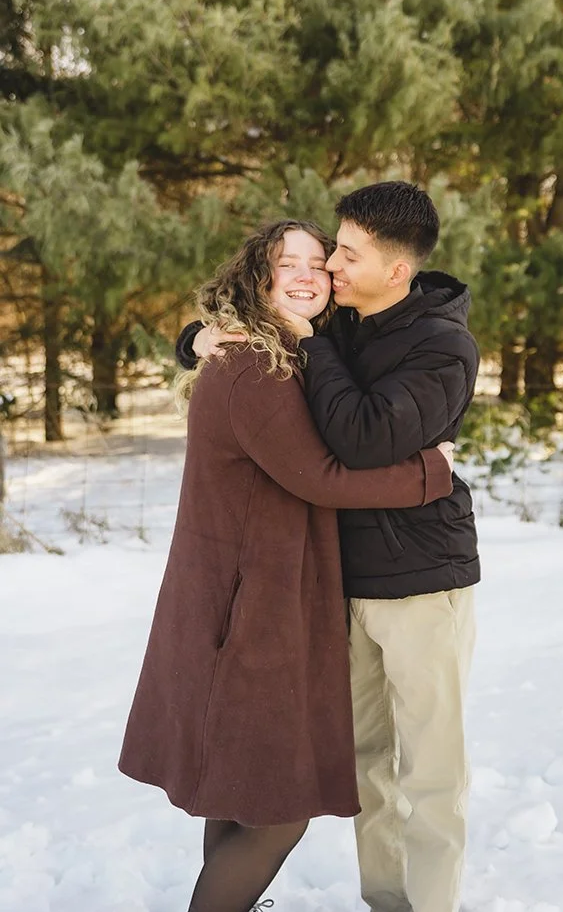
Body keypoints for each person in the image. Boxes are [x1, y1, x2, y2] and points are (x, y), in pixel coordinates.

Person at [119, 218, 456, 912]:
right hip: (250, 615)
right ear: (257, 276)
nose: (305, 272)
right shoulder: (253, 367)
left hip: (245, 600)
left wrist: (197, 336)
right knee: (277, 813)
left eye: (316, 261)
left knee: (237, 792)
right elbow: (321, 475)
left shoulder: (281, 352)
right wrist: (429, 472)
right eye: (285, 262)